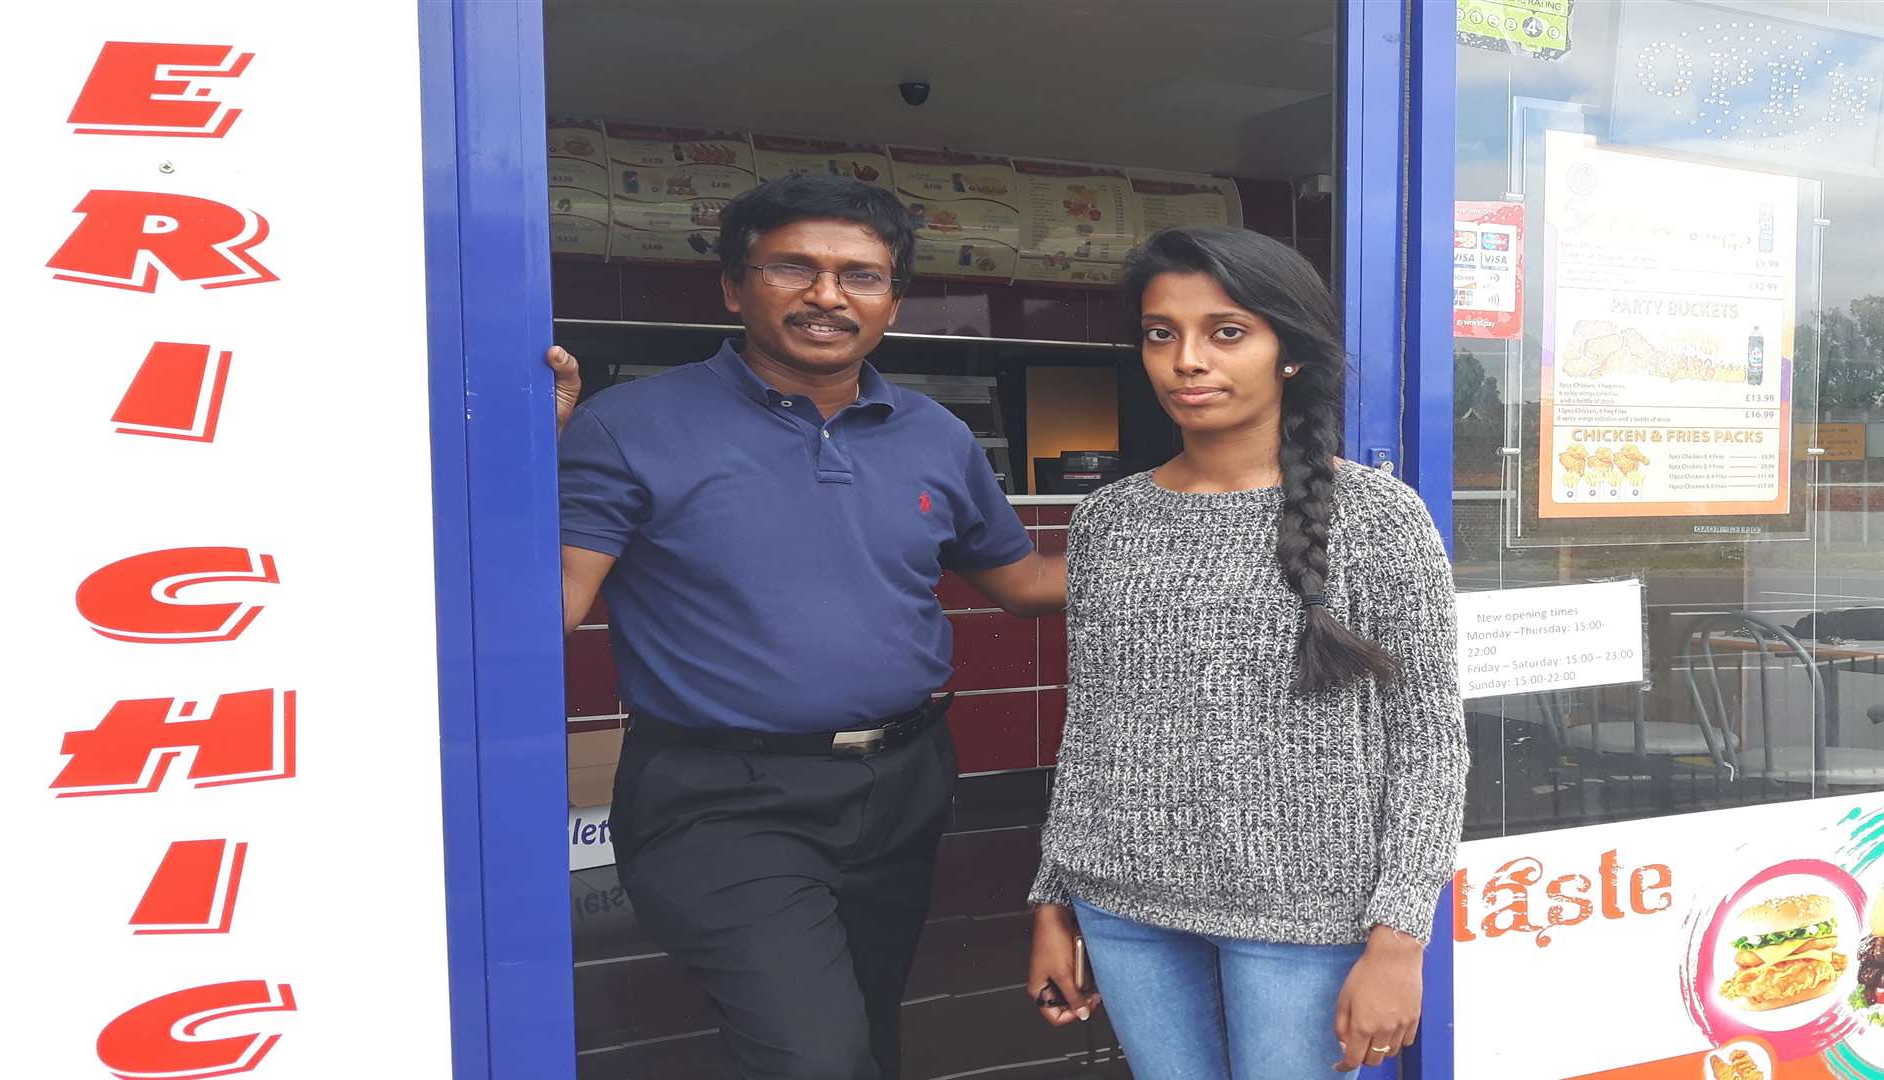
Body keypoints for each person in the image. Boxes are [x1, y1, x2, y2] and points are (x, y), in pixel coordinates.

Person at [549, 174, 1065, 1080]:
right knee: (813, 1054)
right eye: (795, 267)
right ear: (734, 286)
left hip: (902, 783)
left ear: (893, 300)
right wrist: (502, 475)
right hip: (720, 795)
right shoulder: (628, 426)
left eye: (860, 277)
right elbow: (555, 598)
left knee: (866, 1028)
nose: (829, 296)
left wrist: (1205, 541)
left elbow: (1022, 582)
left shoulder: (935, 435)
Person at [1024, 225, 1468, 1079]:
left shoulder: (1380, 519)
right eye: (1162, 333)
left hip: (1304, 920)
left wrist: (1400, 938)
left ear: (1288, 351)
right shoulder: (1108, 520)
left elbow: (1429, 745)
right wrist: (1052, 894)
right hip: (1123, 906)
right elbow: (1094, 727)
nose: (1187, 360)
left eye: (1226, 331)